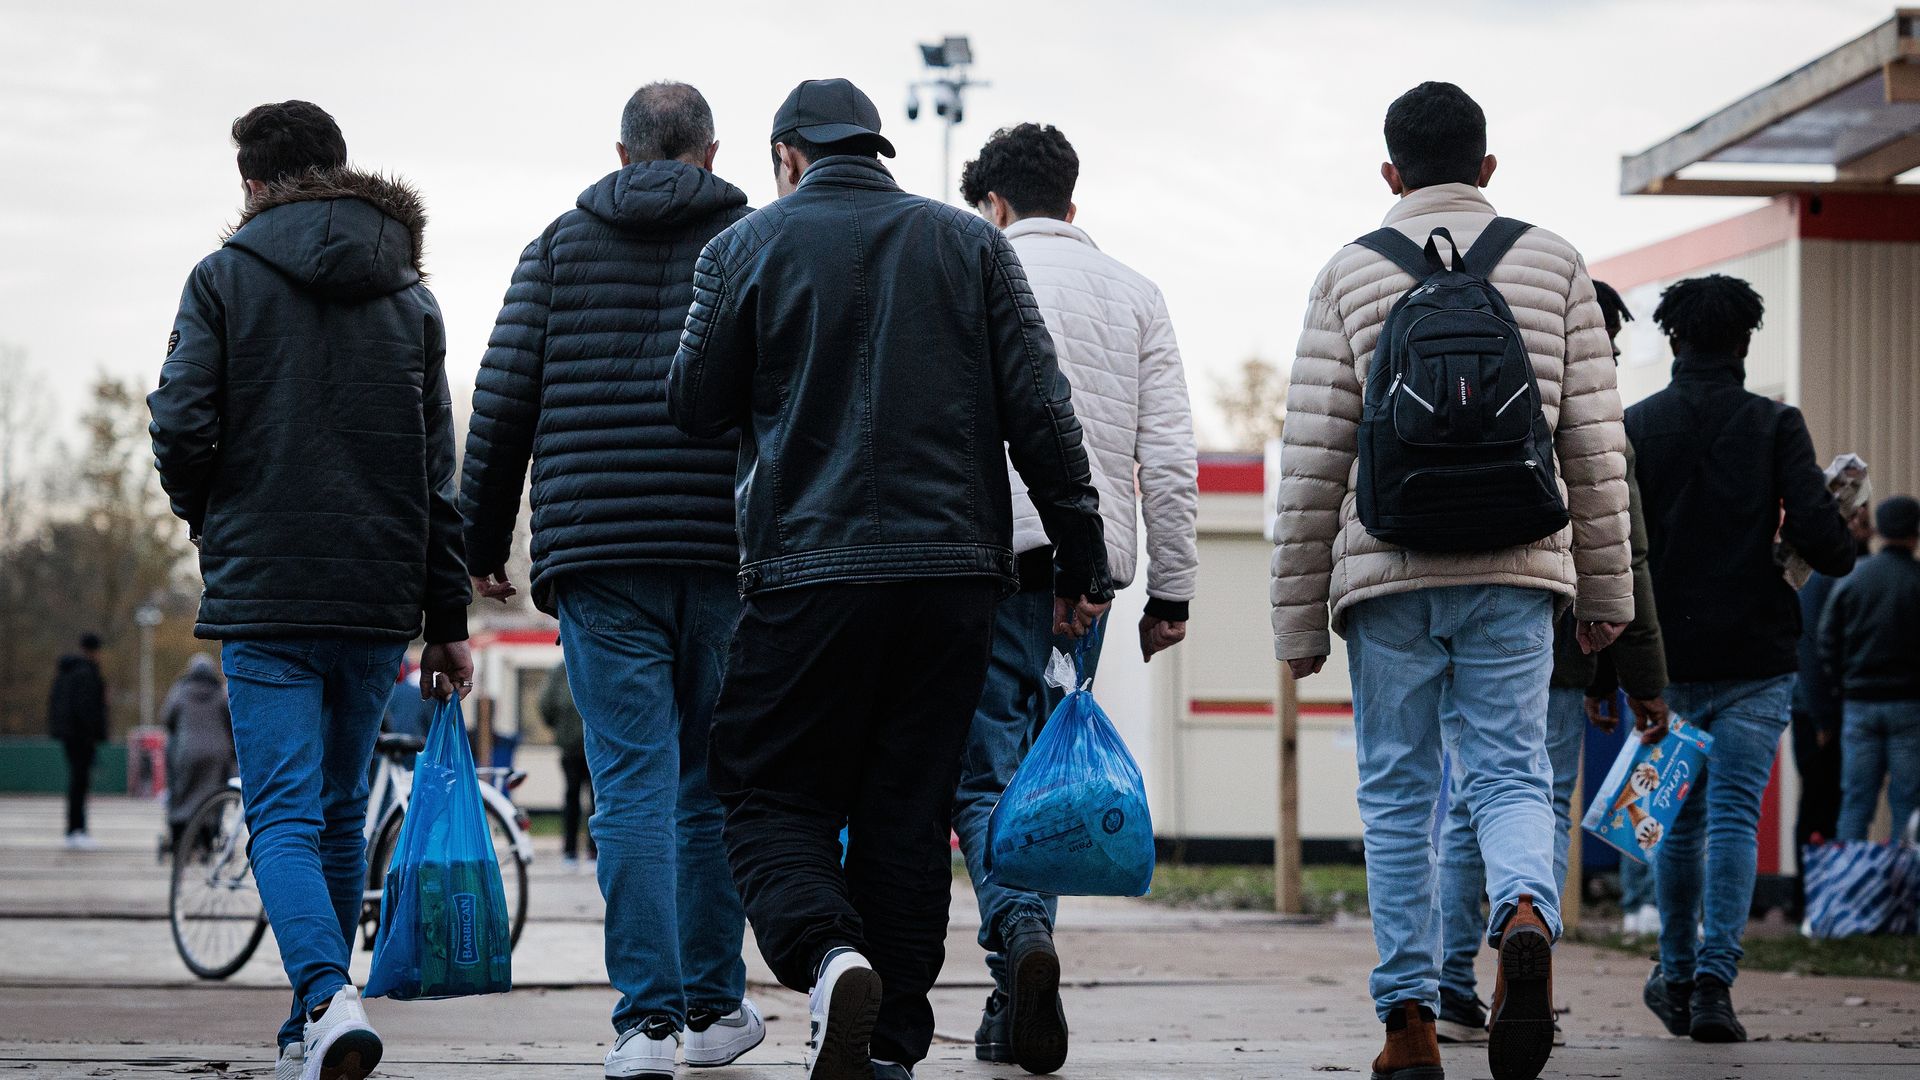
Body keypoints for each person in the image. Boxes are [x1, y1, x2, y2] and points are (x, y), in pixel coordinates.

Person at [669, 78, 1113, 1080]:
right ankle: (893, 1051)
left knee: (763, 794)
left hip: (805, 575)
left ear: (788, 155)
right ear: (875, 149)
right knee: (906, 817)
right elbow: (1045, 411)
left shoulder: (745, 248)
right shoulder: (972, 246)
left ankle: (829, 957)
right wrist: (1083, 558)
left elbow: (691, 401)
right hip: (954, 581)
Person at [1270, 81, 1633, 1080]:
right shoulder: (1554, 262)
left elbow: (1312, 459)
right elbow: (1595, 449)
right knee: (1514, 771)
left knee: (1397, 793)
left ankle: (1410, 1024)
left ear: (1389, 173)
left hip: (1386, 575)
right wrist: (1605, 599)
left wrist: (1297, 622)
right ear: (1488, 167)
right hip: (1519, 568)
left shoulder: (1348, 273)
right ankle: (1523, 913)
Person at [148, 100, 472, 1080]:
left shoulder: (224, 280)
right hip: (376, 599)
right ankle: (308, 1030)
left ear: (253, 183)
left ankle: (328, 999)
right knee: (335, 809)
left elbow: (177, 425)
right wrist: (447, 622)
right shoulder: (410, 300)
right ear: (340, 169)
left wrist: (212, 512)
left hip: (270, 593)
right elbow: (435, 477)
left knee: (283, 814)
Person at [456, 82, 760, 1078]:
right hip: (725, 551)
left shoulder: (557, 247)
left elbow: (502, 403)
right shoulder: (755, 240)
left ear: (621, 155)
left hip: (600, 554)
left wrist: (480, 542)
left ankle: (649, 1025)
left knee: (630, 785)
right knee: (710, 783)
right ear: (710, 154)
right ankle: (717, 1008)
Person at [952, 121, 1199, 1074]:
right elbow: (1168, 458)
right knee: (1050, 775)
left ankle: (1018, 947)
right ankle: (1018, 986)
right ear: (1073, 200)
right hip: (1086, 582)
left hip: (981, 563)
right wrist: (1170, 591)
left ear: (998, 207)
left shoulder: (973, 271)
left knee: (985, 777)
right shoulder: (1137, 295)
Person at [1433, 280, 1668, 1044]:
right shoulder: (1599, 425)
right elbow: (1621, 558)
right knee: (1531, 807)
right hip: (1558, 647)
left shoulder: (1482, 391)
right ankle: (1520, 971)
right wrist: (1640, 680)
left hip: (1448, 624)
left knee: (1465, 803)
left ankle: (1443, 977)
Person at [1627, 273, 1854, 1044]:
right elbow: (1828, 547)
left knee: (1674, 823)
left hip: (1666, 662)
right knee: (1731, 818)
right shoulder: (1775, 425)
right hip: (1758, 653)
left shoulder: (1636, 426)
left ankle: (1679, 975)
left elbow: (1616, 550)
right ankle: (1717, 983)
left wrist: (1611, 666)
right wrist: (1834, 523)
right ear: (1745, 343)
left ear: (1673, 341)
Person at [1821, 495, 1920, 841]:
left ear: (1881, 530)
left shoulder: (1855, 578)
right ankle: (1906, 890)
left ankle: (1851, 892)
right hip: (1909, 705)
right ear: (1915, 533)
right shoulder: (1916, 579)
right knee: (1908, 802)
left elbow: (1827, 640)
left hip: (1859, 705)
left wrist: (1839, 687)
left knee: (1855, 802)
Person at [1791, 503, 1873, 895]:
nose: (1860, 523)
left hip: (1841, 706)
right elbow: (1809, 649)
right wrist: (1823, 717)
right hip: (1818, 710)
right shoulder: (1825, 572)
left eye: (1865, 515)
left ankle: (1830, 895)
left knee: (1839, 800)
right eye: (1853, 516)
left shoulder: (1861, 570)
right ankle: (1813, 897)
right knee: (1819, 801)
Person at [163, 653, 235, 854]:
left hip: (187, 751)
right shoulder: (220, 692)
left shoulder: (180, 690)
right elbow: (231, 721)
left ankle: (180, 839)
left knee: (183, 793)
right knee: (212, 795)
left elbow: (167, 717)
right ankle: (208, 839)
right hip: (217, 753)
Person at [46, 632, 109, 850]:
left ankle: (75, 830)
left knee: (77, 783)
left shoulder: (67, 672)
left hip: (70, 735)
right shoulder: (85, 673)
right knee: (80, 784)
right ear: (94, 651)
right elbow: (87, 709)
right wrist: (93, 734)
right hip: (82, 737)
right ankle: (77, 830)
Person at [538, 662, 597, 869]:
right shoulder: (593, 663)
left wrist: (560, 729)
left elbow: (545, 705)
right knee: (595, 799)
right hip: (595, 746)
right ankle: (593, 851)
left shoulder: (559, 671)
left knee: (572, 797)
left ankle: (570, 852)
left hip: (570, 746)